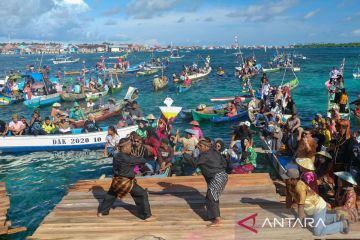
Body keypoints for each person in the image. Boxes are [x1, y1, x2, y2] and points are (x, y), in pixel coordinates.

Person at [97, 138, 155, 221]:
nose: (131, 148)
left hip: (116, 180)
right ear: (126, 147)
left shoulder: (116, 155)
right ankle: (146, 216)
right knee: (142, 194)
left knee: (111, 195)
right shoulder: (126, 158)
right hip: (126, 182)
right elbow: (142, 160)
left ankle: (102, 212)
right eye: (130, 146)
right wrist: (148, 152)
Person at [285, 168, 349, 236]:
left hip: (318, 207)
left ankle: (342, 225)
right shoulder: (289, 185)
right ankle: (336, 217)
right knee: (311, 221)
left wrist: (298, 222)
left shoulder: (300, 187)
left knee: (318, 232)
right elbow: (289, 197)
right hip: (311, 209)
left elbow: (301, 206)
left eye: (287, 178)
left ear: (293, 179)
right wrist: (289, 208)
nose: (285, 179)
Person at [194, 138, 228, 227]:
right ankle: (213, 217)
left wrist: (185, 155)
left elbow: (194, 163)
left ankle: (217, 220)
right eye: (198, 146)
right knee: (211, 196)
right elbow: (224, 163)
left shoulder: (204, 155)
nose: (199, 148)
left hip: (217, 177)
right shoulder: (215, 151)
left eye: (200, 146)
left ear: (206, 146)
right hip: (223, 175)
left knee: (211, 196)